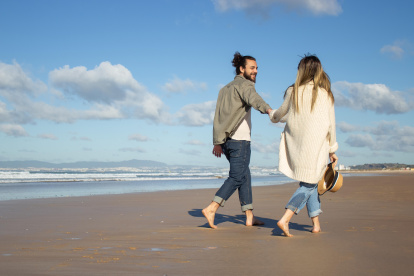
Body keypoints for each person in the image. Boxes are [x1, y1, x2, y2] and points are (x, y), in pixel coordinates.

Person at [269, 55, 338, 237]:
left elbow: (283, 114)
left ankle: (316, 223)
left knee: (311, 181)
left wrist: (272, 115)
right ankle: (285, 219)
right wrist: (332, 148)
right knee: (309, 183)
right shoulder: (326, 94)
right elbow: (331, 124)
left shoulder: (293, 91)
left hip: (298, 143)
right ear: (319, 71)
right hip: (316, 146)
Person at [202, 52, 272, 229]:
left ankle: (249, 216)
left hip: (227, 142)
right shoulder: (245, 85)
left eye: (256, 68)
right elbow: (254, 99)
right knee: (236, 176)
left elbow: (218, 116)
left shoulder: (224, 89)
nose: (256, 71)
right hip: (240, 141)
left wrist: (217, 142)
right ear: (242, 69)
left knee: (244, 176)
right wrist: (268, 110)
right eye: (252, 68)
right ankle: (212, 208)